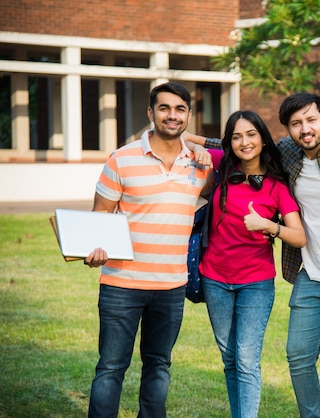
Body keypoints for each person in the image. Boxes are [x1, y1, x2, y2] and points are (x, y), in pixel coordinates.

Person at [185, 93, 320, 417]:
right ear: (287, 129)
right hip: (308, 274)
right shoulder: (286, 152)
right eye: (296, 123)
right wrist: (198, 143)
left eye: (311, 120)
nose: (305, 129)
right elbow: (236, 140)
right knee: (295, 356)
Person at [83, 81, 214, 417]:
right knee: (111, 367)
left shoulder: (200, 165)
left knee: (159, 366)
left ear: (188, 115)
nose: (172, 115)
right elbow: (100, 217)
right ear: (151, 113)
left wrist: (201, 147)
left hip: (171, 286)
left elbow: (243, 147)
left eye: (180, 109)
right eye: (164, 108)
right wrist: (94, 249)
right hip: (121, 285)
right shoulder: (121, 159)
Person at [197, 110, 306, 418]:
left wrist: (268, 226)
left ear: (262, 138)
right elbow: (182, 140)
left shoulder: (276, 186)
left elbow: (299, 236)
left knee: (245, 357)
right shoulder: (221, 168)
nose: (244, 142)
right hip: (214, 278)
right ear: (228, 143)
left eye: (251, 134)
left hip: (255, 283)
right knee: (229, 357)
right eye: (236, 136)